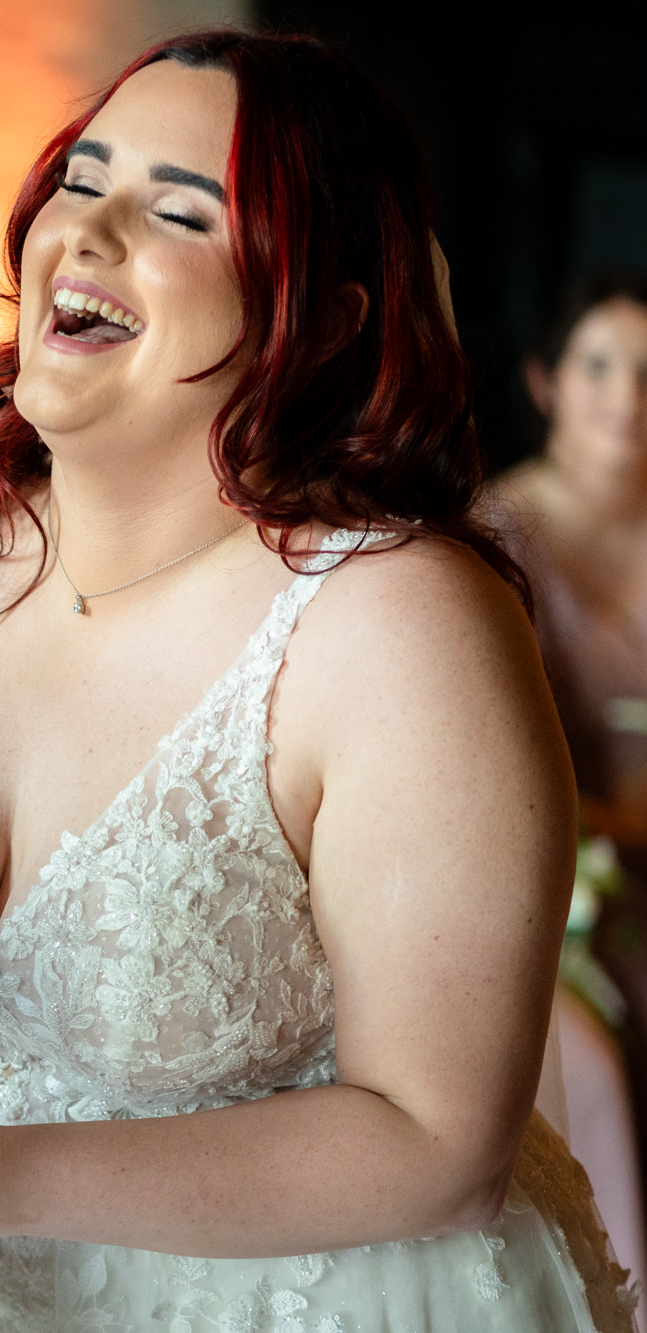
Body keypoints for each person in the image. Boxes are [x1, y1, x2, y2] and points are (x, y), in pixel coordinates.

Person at [0, 30, 640, 1331]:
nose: (92, 230)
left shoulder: (396, 626)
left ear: (324, 317)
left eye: (179, 210)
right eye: (82, 178)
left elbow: (439, 1147)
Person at [494, 269, 647, 1279]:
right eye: (598, 365)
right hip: (569, 878)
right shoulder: (498, 534)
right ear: (543, 381)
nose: (626, 395)